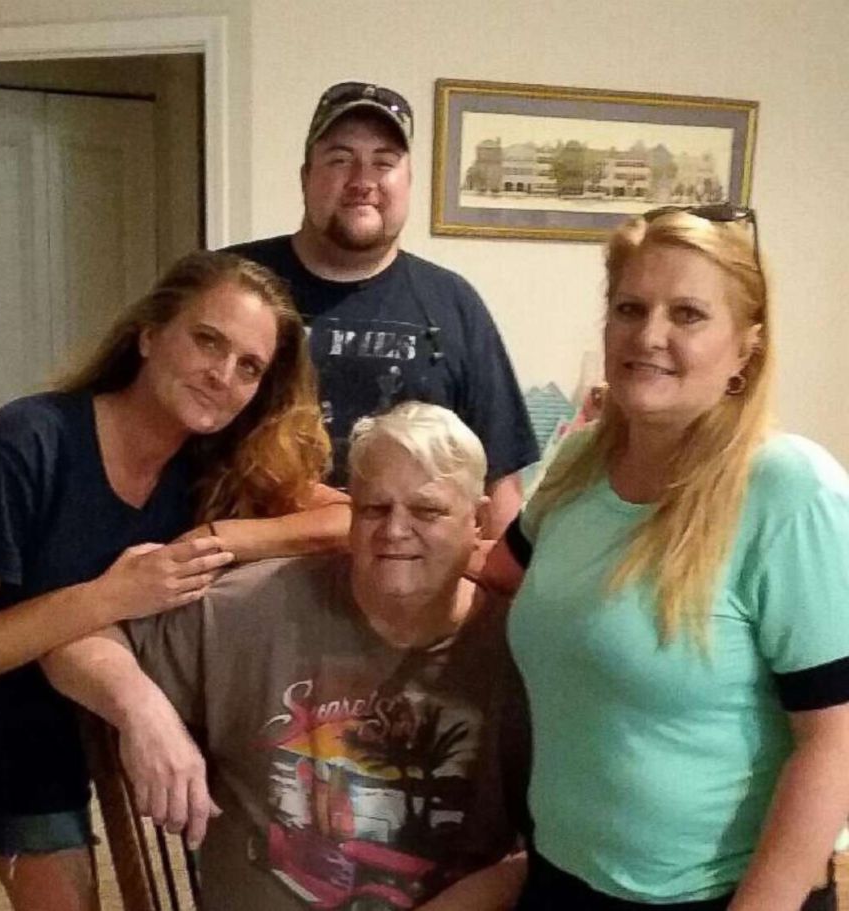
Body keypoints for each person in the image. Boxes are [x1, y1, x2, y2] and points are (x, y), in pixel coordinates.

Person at [0, 251, 350, 911]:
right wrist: (113, 596)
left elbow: (350, 518)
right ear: (150, 334)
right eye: (208, 340)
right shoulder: (26, 442)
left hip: (37, 721)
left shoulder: (211, 469)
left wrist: (222, 538)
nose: (223, 374)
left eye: (249, 366)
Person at [484, 206, 849, 909]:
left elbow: (835, 744)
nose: (649, 335)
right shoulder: (583, 460)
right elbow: (503, 573)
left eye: (687, 314)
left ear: (746, 346)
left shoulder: (791, 492)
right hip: (562, 876)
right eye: (630, 307)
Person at [43, 402, 531, 910]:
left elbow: (565, 846)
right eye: (374, 509)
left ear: (477, 521)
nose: (395, 531)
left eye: (426, 511)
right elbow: (71, 638)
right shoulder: (255, 605)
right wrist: (142, 711)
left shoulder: (527, 644)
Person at [227, 81, 539, 536]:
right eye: (339, 159)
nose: (362, 181)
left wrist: (503, 594)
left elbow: (500, 480)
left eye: (384, 162)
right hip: (245, 576)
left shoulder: (455, 304)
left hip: (406, 584)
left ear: (408, 181)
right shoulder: (232, 283)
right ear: (304, 177)